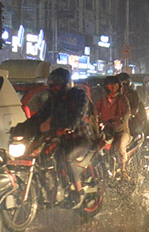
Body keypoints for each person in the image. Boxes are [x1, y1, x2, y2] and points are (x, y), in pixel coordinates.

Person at [11, 67, 93, 207]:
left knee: (66, 157)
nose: (54, 88)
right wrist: (19, 129)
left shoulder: (79, 95)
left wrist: (61, 125)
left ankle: (78, 192)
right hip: (58, 137)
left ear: (66, 84)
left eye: (57, 85)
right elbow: (38, 118)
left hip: (79, 137)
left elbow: (77, 116)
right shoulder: (52, 100)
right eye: (52, 85)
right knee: (40, 155)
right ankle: (52, 190)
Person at [95, 75, 131, 176]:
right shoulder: (102, 100)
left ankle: (123, 170)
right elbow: (95, 111)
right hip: (107, 130)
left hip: (121, 131)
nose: (112, 88)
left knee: (120, 146)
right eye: (110, 86)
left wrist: (120, 119)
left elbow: (127, 112)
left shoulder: (123, 99)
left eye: (114, 86)